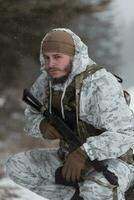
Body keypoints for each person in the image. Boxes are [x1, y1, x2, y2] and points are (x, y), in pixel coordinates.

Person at [6, 28, 134, 200]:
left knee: (98, 189)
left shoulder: (100, 84)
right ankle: (76, 197)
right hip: (69, 156)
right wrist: (41, 126)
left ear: (74, 56)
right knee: (17, 166)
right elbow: (31, 114)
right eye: (47, 57)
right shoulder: (46, 82)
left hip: (116, 161)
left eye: (57, 57)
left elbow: (125, 134)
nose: (50, 64)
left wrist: (85, 152)